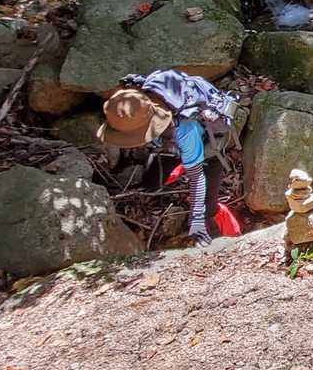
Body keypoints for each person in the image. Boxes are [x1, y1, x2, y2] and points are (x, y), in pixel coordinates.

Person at [98, 70, 240, 247]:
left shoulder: (185, 130)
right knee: (151, 183)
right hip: (168, 146)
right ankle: (159, 184)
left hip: (208, 152)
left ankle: (215, 238)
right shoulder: (136, 100)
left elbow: (197, 178)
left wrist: (196, 220)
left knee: (206, 210)